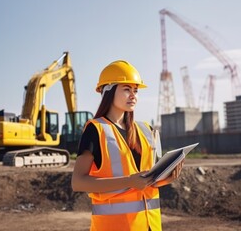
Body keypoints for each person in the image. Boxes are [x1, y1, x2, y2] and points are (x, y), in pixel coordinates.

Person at [72, 60, 184, 231]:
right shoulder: (96, 130)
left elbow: (145, 182)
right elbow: (78, 182)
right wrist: (129, 181)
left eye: (136, 90)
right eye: (126, 89)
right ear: (107, 91)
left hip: (150, 225)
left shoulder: (146, 130)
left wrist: (165, 179)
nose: (133, 95)